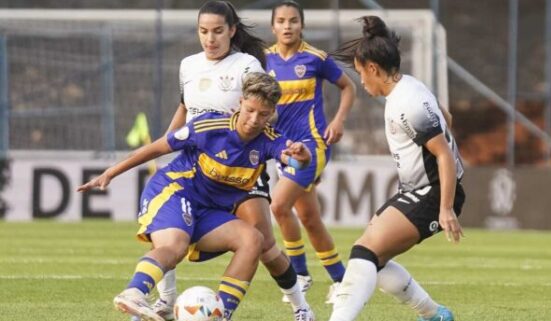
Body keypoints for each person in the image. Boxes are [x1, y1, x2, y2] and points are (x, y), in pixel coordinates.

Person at [77, 72, 312, 321]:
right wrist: (110, 173)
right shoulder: (208, 126)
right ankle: (135, 292)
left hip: (210, 211)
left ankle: (220, 315)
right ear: (241, 102)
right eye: (250, 110)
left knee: (253, 239)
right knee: (174, 247)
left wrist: (303, 158)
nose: (254, 120)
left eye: (263, 114)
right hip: (175, 190)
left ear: (272, 113)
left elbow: (293, 162)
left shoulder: (270, 140)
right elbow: (156, 148)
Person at [155, 2, 315, 321]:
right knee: (168, 227)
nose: (210, 38)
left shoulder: (247, 65)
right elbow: (185, 108)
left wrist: (280, 148)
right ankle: (164, 303)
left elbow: (267, 108)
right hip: (195, 166)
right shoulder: (188, 65)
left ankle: (301, 307)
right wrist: (166, 144)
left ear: (231, 30)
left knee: (264, 244)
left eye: (217, 31)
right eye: (203, 31)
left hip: (241, 167)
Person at [325, 16, 466, 321]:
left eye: (361, 74)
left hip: (432, 193)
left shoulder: (406, 102)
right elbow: (447, 118)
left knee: (363, 254)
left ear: (373, 69)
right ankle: (435, 315)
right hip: (421, 190)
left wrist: (445, 209)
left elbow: (442, 154)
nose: (361, 82)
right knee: (370, 258)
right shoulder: (412, 85)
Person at [265, 0, 356, 304]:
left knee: (278, 206)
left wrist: (339, 120)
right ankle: (343, 281)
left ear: (302, 25)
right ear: (273, 26)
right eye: (281, 21)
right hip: (283, 149)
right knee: (310, 219)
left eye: (293, 20)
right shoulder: (263, 60)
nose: (287, 26)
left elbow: (348, 87)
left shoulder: (316, 58)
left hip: (313, 146)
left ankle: (299, 275)